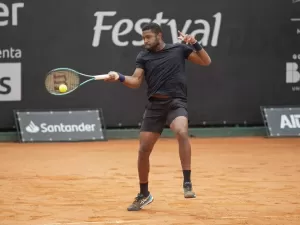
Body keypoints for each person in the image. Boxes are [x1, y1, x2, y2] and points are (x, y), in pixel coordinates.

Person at [104, 22, 211, 211]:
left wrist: (195, 43)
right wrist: (119, 77)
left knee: (181, 130)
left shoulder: (179, 49)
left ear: (159, 36)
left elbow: (205, 61)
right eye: (143, 37)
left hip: (175, 102)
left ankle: (187, 182)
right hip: (155, 106)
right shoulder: (143, 56)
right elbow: (136, 81)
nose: (145, 41)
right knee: (143, 150)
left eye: (148, 37)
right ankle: (144, 194)